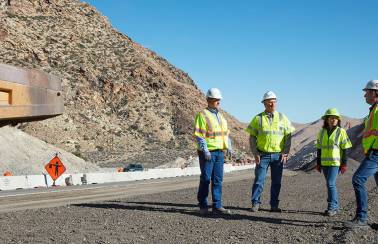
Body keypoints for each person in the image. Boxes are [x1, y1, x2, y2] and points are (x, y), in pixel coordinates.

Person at [246, 91, 295, 212]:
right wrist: (255, 153)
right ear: (264, 104)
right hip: (262, 155)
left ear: (276, 103)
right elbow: (252, 137)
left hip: (278, 156)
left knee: (276, 182)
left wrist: (285, 152)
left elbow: (288, 136)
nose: (272, 104)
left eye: (274, 102)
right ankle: (255, 203)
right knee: (259, 180)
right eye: (269, 102)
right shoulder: (258, 118)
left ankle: (274, 205)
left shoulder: (283, 118)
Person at [193, 88, 232, 216]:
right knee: (205, 178)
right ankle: (203, 205)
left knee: (218, 180)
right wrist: (205, 150)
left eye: (219, 100)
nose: (218, 102)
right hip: (208, 152)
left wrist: (228, 146)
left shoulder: (221, 116)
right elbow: (199, 135)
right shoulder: (202, 115)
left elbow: (225, 134)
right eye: (215, 100)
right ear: (208, 100)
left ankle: (217, 205)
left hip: (220, 152)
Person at [346, 80, 378, 228]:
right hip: (373, 152)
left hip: (376, 154)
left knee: (358, 179)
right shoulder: (373, 110)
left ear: (375, 93)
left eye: (367, 91)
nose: (365, 94)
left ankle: (361, 218)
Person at [316, 108, 352, 217]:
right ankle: (335, 206)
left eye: (336, 118)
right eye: (331, 118)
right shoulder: (321, 132)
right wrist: (318, 163)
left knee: (330, 184)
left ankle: (332, 207)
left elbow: (345, 148)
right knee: (329, 184)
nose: (334, 120)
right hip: (325, 163)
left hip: (335, 163)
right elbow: (319, 148)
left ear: (338, 120)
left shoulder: (341, 131)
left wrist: (344, 163)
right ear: (327, 119)